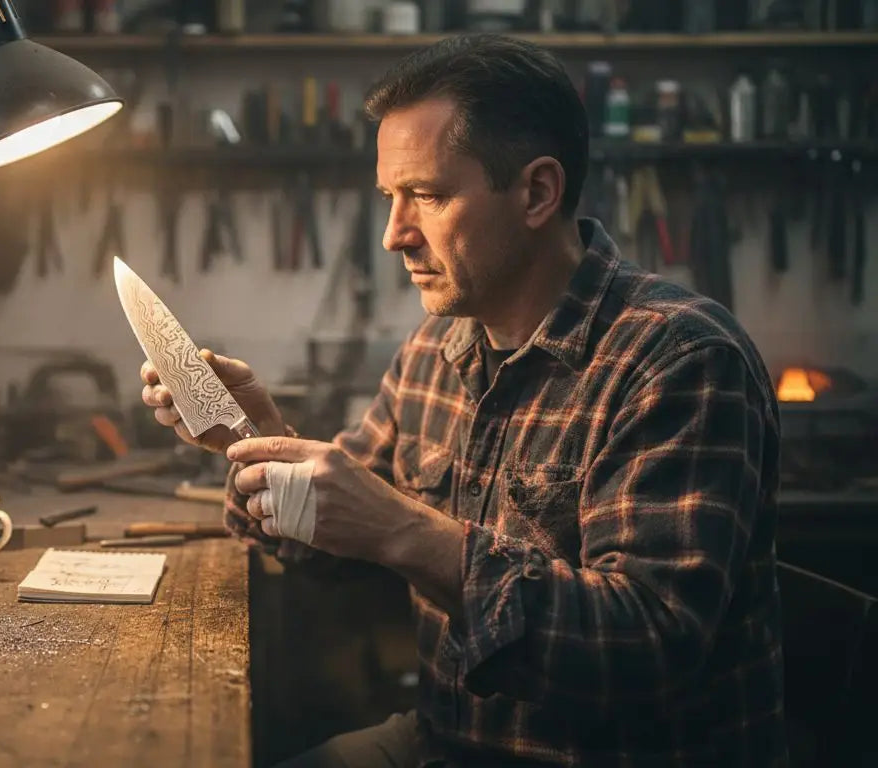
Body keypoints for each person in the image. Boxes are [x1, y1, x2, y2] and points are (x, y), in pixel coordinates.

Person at [138, 34, 787, 768]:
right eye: (390, 197)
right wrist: (251, 435)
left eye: (429, 195)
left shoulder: (678, 361)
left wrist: (407, 532)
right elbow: (330, 531)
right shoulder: (438, 348)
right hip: (448, 741)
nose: (393, 235)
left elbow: (643, 648)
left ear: (538, 192)